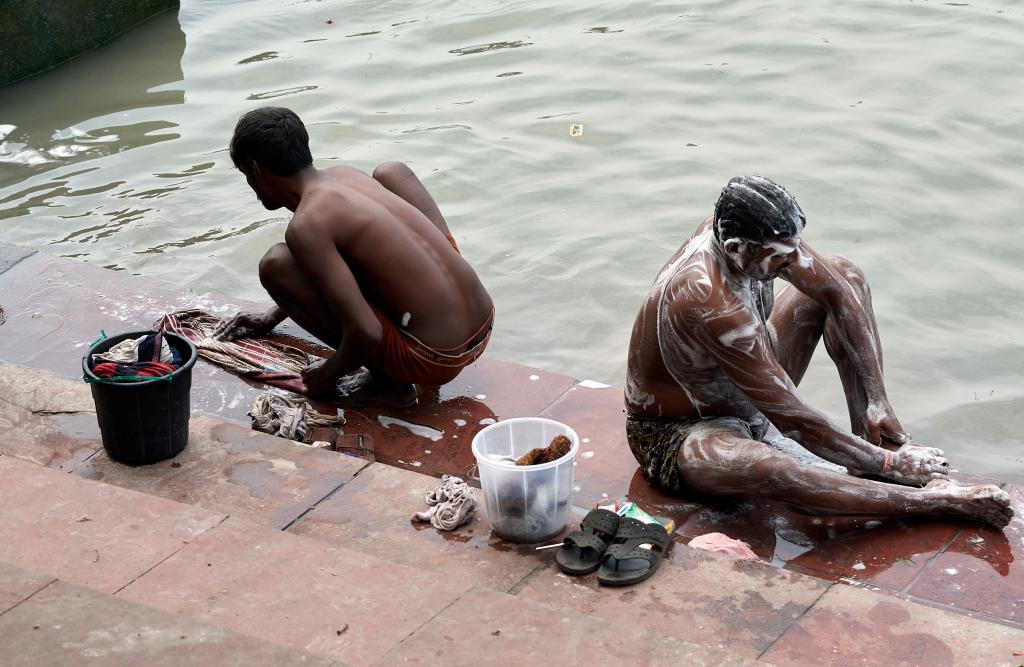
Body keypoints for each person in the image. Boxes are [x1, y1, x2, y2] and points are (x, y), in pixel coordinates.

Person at [625, 175, 1013, 527]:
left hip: (752, 396)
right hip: (685, 433)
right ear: (736, 247)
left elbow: (836, 291)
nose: (791, 263)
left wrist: (879, 400)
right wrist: (894, 465)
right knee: (773, 468)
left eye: (793, 251)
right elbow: (794, 420)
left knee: (846, 273)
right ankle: (932, 503)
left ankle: (869, 440)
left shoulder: (752, 236)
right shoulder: (708, 299)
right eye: (780, 258)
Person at [217, 106, 494, 400]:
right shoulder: (345, 174)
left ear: (257, 171)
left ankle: (387, 383)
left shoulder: (307, 224)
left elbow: (366, 333)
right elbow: (340, 270)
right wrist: (272, 317)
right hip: (483, 322)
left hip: (436, 359)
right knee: (391, 172)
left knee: (275, 264)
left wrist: (325, 375)